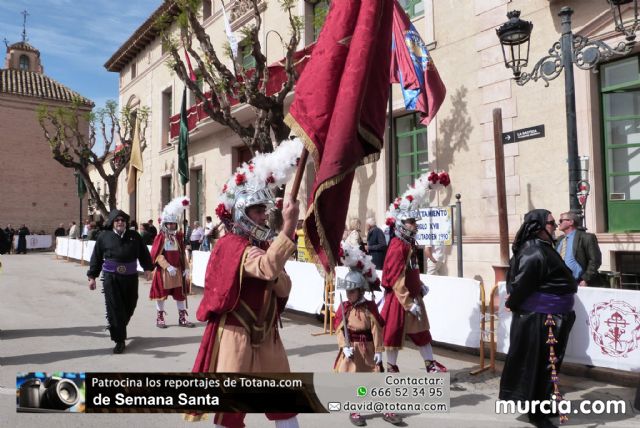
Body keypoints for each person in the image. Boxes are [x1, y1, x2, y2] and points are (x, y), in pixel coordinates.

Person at [187, 138, 302, 427]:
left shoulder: (259, 244)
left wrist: (275, 265)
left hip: (267, 334)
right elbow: (265, 268)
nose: (264, 216)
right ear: (241, 213)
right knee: (232, 409)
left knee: (284, 402)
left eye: (264, 211)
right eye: (257, 211)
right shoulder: (232, 245)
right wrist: (288, 227)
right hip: (237, 334)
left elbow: (283, 285)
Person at [499, 209, 577, 428]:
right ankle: (536, 413)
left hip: (552, 316)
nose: (554, 226)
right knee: (539, 364)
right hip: (541, 319)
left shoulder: (543, 248)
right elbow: (521, 285)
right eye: (551, 223)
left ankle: (544, 403)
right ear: (538, 226)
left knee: (549, 364)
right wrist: (512, 303)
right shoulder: (533, 252)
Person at [380, 172, 448, 374]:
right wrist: (408, 302)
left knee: (422, 332)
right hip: (400, 298)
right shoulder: (397, 245)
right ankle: (391, 367)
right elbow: (396, 277)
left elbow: (410, 269)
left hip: (412, 294)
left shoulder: (408, 243)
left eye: (414, 222)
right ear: (401, 223)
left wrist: (419, 285)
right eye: (411, 221)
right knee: (392, 335)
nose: (415, 225)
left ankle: (430, 365)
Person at [334, 242, 401, 427]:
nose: (348, 294)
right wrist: (344, 346)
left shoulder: (369, 307)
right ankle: (355, 410)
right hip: (352, 350)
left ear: (361, 290)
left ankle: (387, 408)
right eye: (347, 291)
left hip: (369, 348)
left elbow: (376, 329)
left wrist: (379, 350)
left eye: (352, 291)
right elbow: (339, 328)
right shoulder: (345, 307)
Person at [87, 209, 154, 354]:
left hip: (130, 277)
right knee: (115, 308)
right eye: (117, 220)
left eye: (122, 220)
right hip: (111, 278)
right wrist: (92, 276)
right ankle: (119, 340)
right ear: (112, 222)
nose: (120, 222)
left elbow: (143, 253)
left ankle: (120, 327)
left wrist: (148, 268)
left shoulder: (134, 236)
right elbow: (96, 257)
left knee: (130, 304)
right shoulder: (104, 236)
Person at [149, 197, 195, 329]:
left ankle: (182, 318)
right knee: (161, 295)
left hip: (178, 271)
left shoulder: (178, 237)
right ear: (165, 224)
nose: (172, 226)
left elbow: (181, 254)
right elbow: (156, 255)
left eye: (174, 224)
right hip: (164, 272)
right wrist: (167, 267)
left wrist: (185, 267)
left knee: (180, 295)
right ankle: (160, 318)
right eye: (169, 224)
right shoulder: (160, 237)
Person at [556, 210, 602, 287]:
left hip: (579, 283)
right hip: (561, 283)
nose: (558, 223)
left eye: (561, 220)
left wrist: (586, 279)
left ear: (571, 222)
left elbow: (595, 260)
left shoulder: (586, 237)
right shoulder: (559, 239)